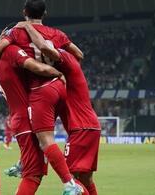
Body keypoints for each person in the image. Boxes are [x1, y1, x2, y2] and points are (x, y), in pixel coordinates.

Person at [0, 0, 85, 195]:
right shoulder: (57, 33)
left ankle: (69, 184)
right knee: (36, 171)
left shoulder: (11, 43)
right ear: (45, 13)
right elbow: (78, 55)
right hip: (60, 90)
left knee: (42, 151)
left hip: (37, 97)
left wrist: (16, 31)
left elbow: (20, 62)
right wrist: (61, 68)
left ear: (24, 12)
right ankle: (30, 163)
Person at [21, 22, 101, 195]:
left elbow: (44, 47)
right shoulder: (74, 61)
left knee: (71, 180)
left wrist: (28, 27)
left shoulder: (65, 58)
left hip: (81, 128)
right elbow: (80, 53)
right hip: (91, 126)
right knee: (86, 179)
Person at [0, 24, 65, 194]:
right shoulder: (10, 51)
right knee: (33, 175)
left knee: (34, 174)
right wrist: (58, 74)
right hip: (26, 118)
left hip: (19, 116)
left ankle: (21, 162)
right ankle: (68, 182)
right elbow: (37, 67)